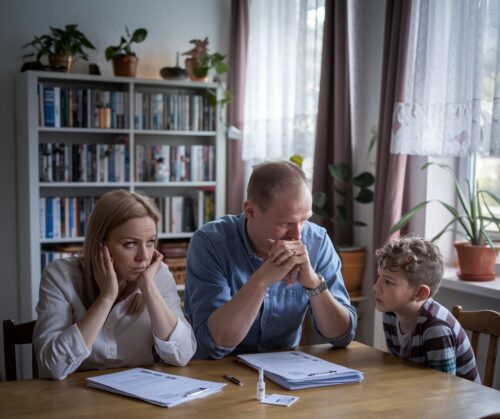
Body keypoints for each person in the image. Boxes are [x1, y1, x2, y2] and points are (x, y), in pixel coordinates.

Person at [185, 160, 357, 359]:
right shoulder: (210, 243)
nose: (297, 235)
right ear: (251, 211)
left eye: (304, 220)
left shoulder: (317, 241)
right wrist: (262, 280)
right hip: (217, 371)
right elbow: (214, 343)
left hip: (285, 372)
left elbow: (342, 336)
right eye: (285, 223)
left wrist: (313, 283)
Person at [34, 190, 196, 379]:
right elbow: (52, 366)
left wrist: (148, 286)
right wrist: (106, 297)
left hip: (140, 395)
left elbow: (183, 355)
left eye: (150, 242)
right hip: (75, 398)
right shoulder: (61, 275)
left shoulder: (157, 275)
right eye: (130, 244)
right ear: (101, 244)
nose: (144, 256)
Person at [374, 236, 480, 382]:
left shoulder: (436, 329)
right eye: (379, 277)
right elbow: (398, 368)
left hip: (460, 402)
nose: (375, 287)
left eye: (387, 281)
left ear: (419, 293)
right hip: (417, 391)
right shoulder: (390, 314)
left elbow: (443, 388)